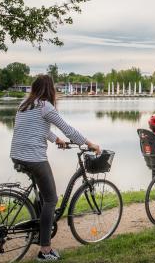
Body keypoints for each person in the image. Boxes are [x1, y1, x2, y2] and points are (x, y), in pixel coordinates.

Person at [10, 74, 100, 261]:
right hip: (34, 158)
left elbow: (39, 127)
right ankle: (45, 250)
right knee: (51, 199)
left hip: (17, 155)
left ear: (34, 88)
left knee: (42, 196)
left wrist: (56, 140)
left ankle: (34, 233)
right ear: (50, 90)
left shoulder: (24, 105)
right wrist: (90, 143)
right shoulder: (46, 106)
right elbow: (68, 129)